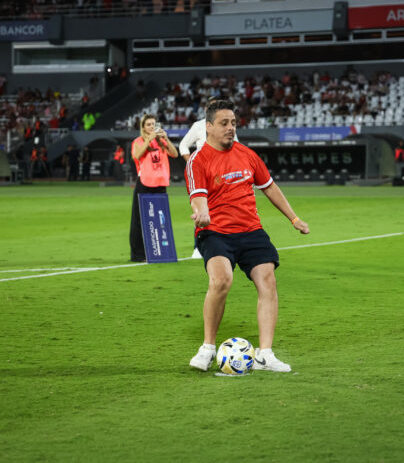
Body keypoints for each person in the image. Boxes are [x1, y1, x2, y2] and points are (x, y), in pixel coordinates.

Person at [185, 100, 309, 373]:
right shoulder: (198, 160)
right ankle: (207, 349)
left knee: (268, 281)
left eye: (233, 123)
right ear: (208, 127)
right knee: (221, 280)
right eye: (224, 123)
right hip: (215, 231)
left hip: (251, 230)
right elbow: (198, 197)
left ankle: (265, 354)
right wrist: (202, 213)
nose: (231, 128)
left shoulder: (248, 155)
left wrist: (294, 218)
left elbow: (270, 187)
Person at [179, 97, 239, 259]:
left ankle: (228, 242)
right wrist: (192, 163)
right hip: (203, 172)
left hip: (224, 173)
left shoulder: (227, 126)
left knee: (224, 207)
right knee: (201, 208)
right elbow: (183, 145)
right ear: (206, 110)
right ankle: (198, 247)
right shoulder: (198, 126)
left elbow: (235, 147)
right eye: (212, 106)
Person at [129, 113, 178, 262]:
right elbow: (136, 156)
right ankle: (138, 255)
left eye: (153, 124)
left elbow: (174, 154)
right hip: (144, 183)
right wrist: (148, 140)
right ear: (143, 127)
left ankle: (161, 252)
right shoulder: (138, 141)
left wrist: (166, 139)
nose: (152, 127)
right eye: (148, 124)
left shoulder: (161, 141)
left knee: (160, 220)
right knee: (139, 220)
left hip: (160, 183)